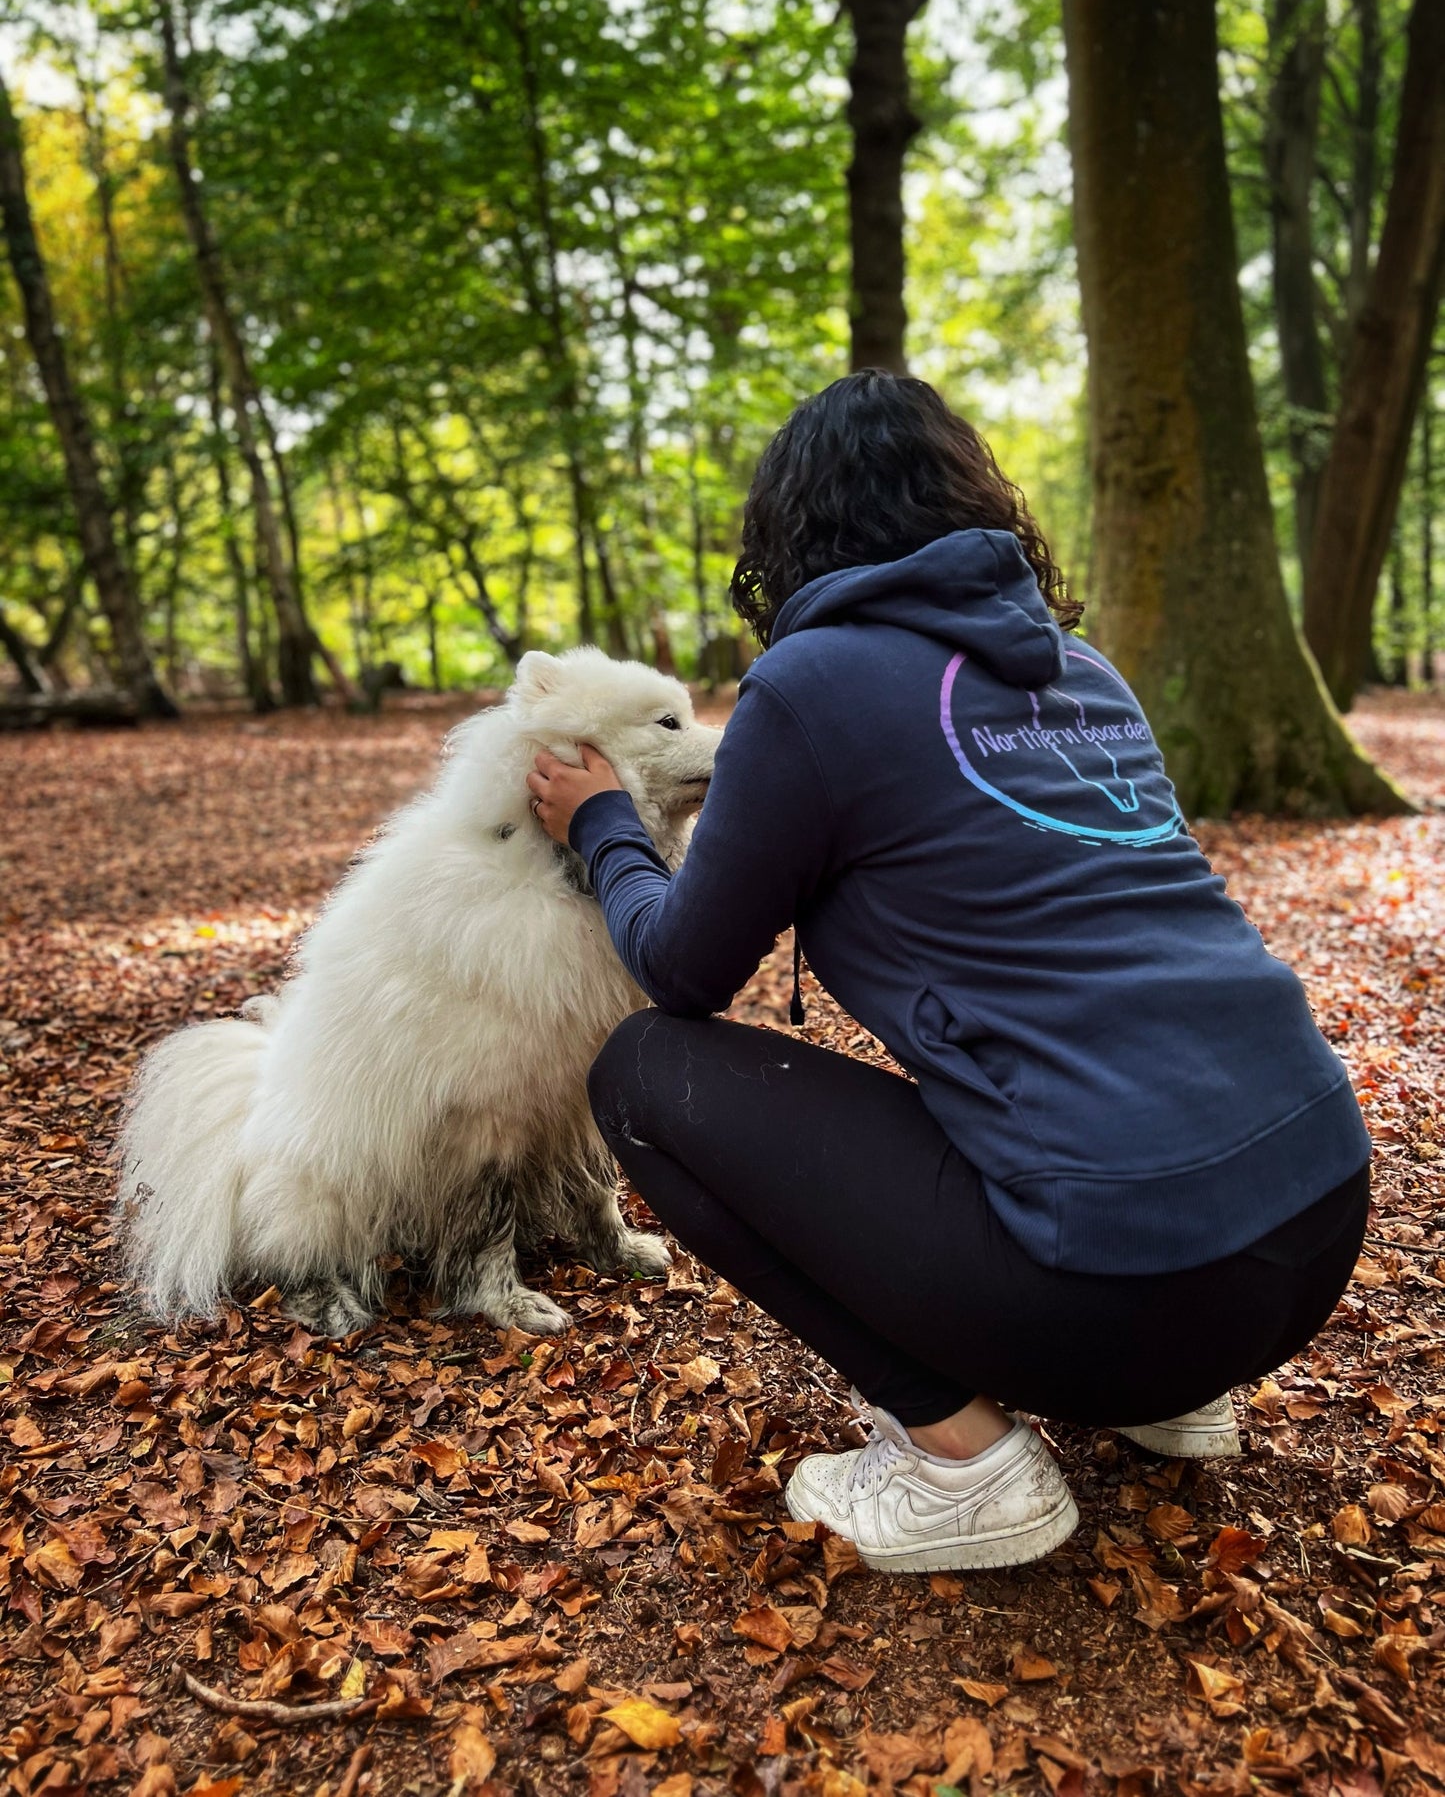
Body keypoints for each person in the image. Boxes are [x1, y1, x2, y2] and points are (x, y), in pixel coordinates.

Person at [525, 371, 1371, 1574]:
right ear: (970, 499)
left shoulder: (811, 686)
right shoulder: (1081, 672)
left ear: (790, 534)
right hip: (1316, 1219)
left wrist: (605, 819)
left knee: (644, 1072)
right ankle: (1169, 1398)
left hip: (1134, 1285)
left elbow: (680, 968)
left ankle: (962, 1463)